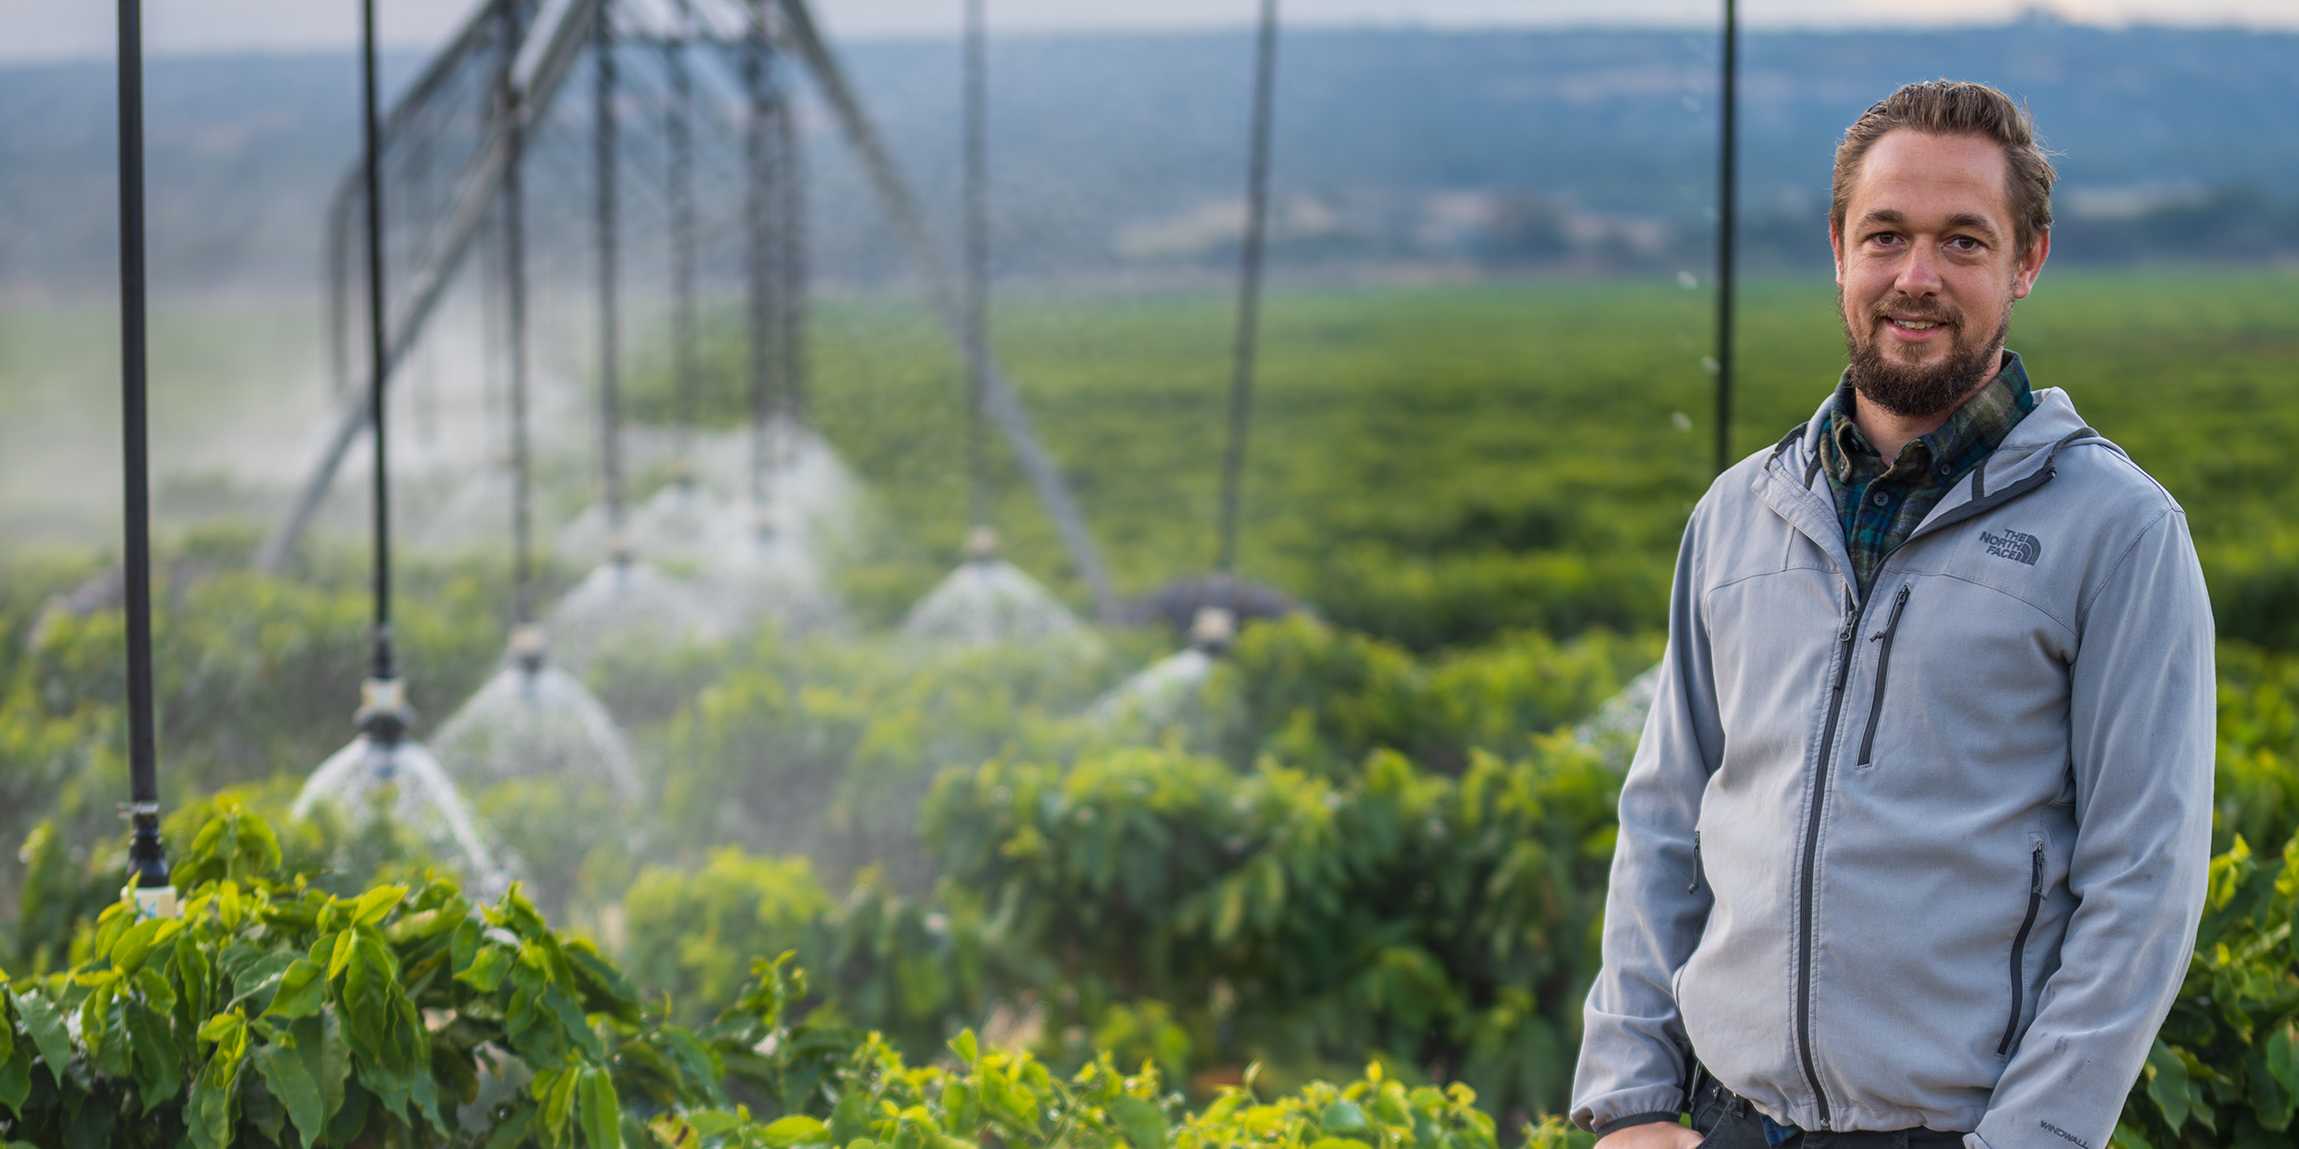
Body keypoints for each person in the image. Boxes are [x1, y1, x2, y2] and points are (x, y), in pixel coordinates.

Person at [1568, 79, 2215, 1149]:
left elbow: (2140, 887)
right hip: (1720, 1122)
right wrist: (1629, 1098)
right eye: (1886, 236)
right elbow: (1664, 823)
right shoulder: (1738, 513)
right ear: (1838, 248)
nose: (1916, 278)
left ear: (2026, 262)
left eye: (1963, 241)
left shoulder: (2118, 531)